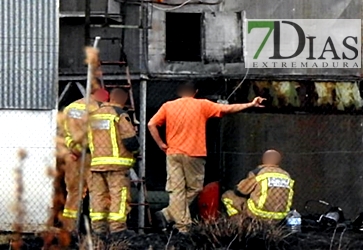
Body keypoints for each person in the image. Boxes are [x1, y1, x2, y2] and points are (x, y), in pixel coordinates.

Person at [148, 81, 264, 232]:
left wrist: (161, 144)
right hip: (194, 154)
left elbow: (151, 124)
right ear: (195, 92)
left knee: (177, 191)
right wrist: (250, 104)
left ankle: (172, 217)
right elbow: (228, 109)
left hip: (173, 153)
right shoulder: (202, 105)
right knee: (194, 189)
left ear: (180, 92)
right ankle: (176, 221)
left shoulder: (168, 106)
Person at [87, 88, 139, 235]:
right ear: (123, 99)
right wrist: (136, 151)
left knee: (98, 196)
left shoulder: (93, 116)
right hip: (117, 165)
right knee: (119, 195)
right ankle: (118, 229)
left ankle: (98, 229)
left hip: (97, 164)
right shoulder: (119, 114)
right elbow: (130, 140)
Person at [56, 87, 108, 231]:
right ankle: (97, 228)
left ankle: (69, 228)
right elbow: (99, 134)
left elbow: (62, 131)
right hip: (90, 155)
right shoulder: (98, 109)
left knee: (73, 192)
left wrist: (72, 148)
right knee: (96, 190)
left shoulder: (70, 108)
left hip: (71, 155)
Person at [221, 150, 295, 222]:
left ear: (264, 159)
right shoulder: (286, 175)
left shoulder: (259, 172)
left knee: (227, 196)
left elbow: (241, 190)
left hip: (258, 213)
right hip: (280, 216)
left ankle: (239, 224)